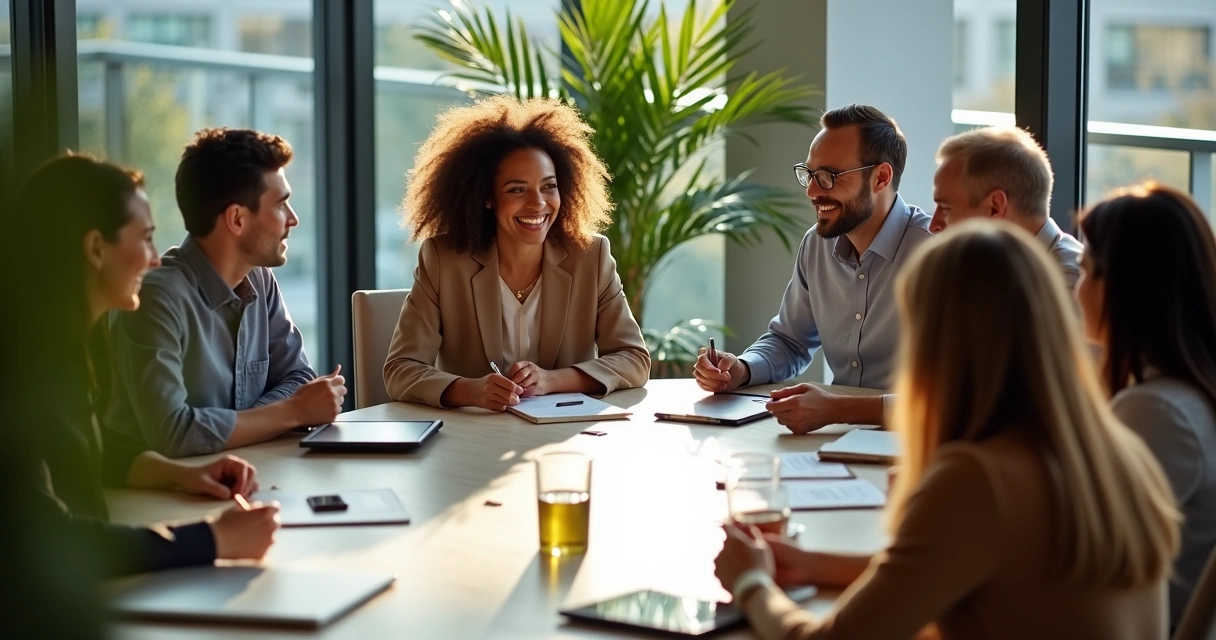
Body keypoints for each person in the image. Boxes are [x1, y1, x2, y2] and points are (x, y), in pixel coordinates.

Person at [714, 221, 1180, 640]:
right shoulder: (1122, 453)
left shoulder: (977, 480)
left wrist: (751, 582)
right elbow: (962, 569)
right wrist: (807, 564)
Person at [8, 154, 280, 577]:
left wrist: (178, 474)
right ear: (96, 248)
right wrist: (214, 539)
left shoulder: (72, 345)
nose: (155, 259)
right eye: (147, 238)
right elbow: (48, 538)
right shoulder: (22, 375)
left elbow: (80, 453)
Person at [383, 96, 650, 411]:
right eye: (517, 190)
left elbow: (634, 360)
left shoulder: (591, 256)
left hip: (566, 439)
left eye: (548, 187)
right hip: (474, 440)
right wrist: (471, 391)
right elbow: (400, 370)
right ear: (487, 198)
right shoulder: (444, 259)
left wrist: (552, 380)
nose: (538, 203)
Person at [106, 128, 346, 457]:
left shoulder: (260, 279)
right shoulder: (156, 297)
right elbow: (173, 433)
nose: (293, 219)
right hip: (163, 496)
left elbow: (298, 376)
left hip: (247, 472)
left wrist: (242, 424)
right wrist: (293, 412)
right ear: (236, 219)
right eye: (281, 205)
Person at [693, 104, 931, 434]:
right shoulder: (817, 245)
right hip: (840, 440)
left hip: (917, 444)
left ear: (881, 177)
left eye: (828, 177)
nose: (812, 191)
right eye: (809, 174)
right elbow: (791, 342)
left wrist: (838, 409)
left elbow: (956, 398)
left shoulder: (939, 254)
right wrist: (742, 369)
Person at [1076, 183, 1216, 627]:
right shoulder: (1183, 394)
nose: (1076, 290)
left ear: (1120, 286)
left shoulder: (1156, 412)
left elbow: (1082, 556)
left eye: (1084, 269)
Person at [930, 125, 1083, 288]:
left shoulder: (1069, 286)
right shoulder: (1000, 270)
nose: (933, 226)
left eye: (946, 209)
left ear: (995, 207)